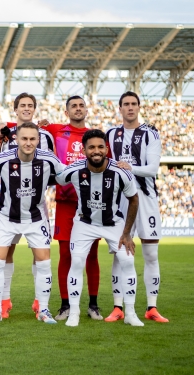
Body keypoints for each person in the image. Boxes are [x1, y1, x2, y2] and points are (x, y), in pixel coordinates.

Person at [56, 129, 143, 327]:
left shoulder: (121, 172)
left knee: (128, 262)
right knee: (77, 262)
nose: (96, 151)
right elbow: (57, 177)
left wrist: (127, 232)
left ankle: (130, 313)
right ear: (84, 150)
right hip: (85, 224)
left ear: (107, 148)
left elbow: (134, 199)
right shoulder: (75, 169)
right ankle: (74, 313)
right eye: (91, 147)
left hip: (113, 224)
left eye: (100, 147)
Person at [0, 122, 65, 325]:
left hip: (35, 218)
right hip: (6, 217)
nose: (28, 143)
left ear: (38, 140)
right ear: (17, 140)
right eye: (24, 139)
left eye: (32, 139)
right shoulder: (2, 159)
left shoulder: (48, 159)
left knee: (44, 262)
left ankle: (44, 310)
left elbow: (65, 176)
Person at [104, 91, 169, 323]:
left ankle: (151, 307)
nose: (130, 108)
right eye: (126, 104)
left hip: (146, 198)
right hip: (119, 199)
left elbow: (152, 169)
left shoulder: (150, 133)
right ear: (120, 108)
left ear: (139, 107)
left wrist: (128, 167)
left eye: (134, 104)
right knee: (120, 254)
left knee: (151, 254)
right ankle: (117, 307)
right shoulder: (111, 134)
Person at [39, 96, 103, 321]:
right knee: (65, 254)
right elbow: (21, 126)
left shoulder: (95, 136)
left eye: (81, 105)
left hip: (90, 203)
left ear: (86, 110)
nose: (78, 109)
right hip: (65, 202)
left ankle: (93, 305)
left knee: (91, 255)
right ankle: (65, 304)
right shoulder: (56, 130)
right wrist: (3, 127)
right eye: (73, 106)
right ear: (66, 112)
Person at [0, 93, 55, 319]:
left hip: (37, 205)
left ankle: (40, 302)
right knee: (6, 251)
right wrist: (1, 130)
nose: (26, 109)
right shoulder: (4, 134)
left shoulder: (45, 135)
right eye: (23, 106)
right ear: (15, 109)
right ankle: (4, 301)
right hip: (9, 204)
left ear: (35, 109)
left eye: (30, 105)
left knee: (40, 252)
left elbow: (53, 166)